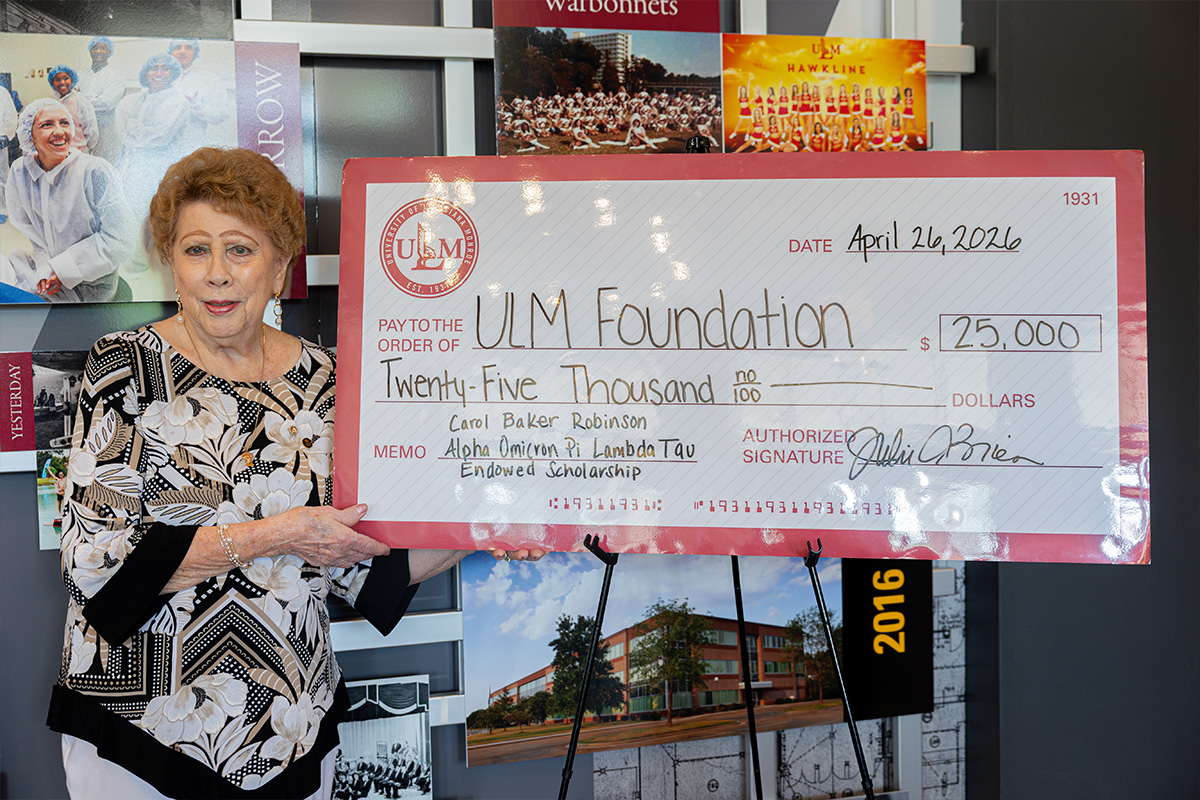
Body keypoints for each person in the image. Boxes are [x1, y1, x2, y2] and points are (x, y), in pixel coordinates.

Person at [48, 146, 543, 800]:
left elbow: (364, 557)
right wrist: (277, 534)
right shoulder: (124, 368)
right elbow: (96, 564)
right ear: (171, 263)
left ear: (280, 266)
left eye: (240, 250)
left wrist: (481, 529)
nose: (217, 274)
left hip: (294, 731)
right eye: (196, 250)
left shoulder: (329, 379)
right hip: (139, 739)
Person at [2, 98, 133, 302]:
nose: (59, 131)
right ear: (30, 136)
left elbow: (122, 240)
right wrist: (46, 266)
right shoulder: (21, 173)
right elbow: (36, 236)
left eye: (64, 122)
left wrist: (64, 270)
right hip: (43, 270)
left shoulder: (95, 171)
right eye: (46, 124)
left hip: (90, 285)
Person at [168, 39, 232, 152]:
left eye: (188, 48)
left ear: (195, 52)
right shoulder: (156, 77)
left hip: (192, 145)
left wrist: (196, 105)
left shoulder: (209, 78)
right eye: (178, 47)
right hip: (159, 145)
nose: (182, 52)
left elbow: (221, 114)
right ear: (171, 52)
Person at [78, 36, 127, 162]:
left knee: (106, 162)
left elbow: (107, 103)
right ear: (90, 51)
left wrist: (82, 97)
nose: (98, 51)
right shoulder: (81, 74)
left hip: (107, 128)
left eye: (102, 48)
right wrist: (95, 97)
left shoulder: (116, 75)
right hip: (83, 126)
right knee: (84, 163)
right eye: (95, 48)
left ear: (109, 52)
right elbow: (73, 98)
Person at [47, 65, 99, 154]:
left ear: (72, 80)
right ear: (52, 83)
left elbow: (91, 130)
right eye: (57, 80)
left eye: (66, 78)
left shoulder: (81, 101)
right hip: (57, 153)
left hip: (79, 153)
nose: (62, 82)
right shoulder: (51, 103)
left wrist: (88, 146)